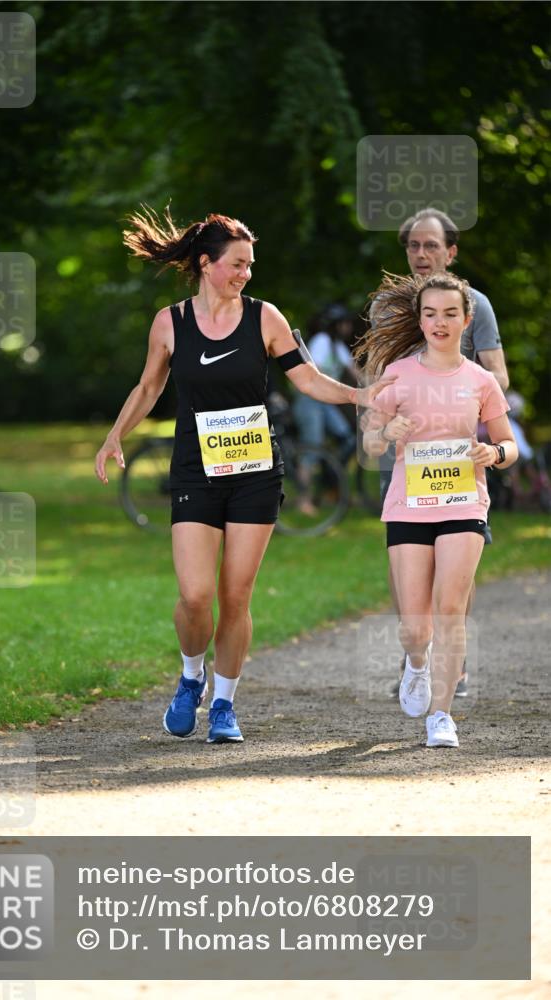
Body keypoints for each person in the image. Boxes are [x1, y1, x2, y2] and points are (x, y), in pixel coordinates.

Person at [94, 207, 394, 744]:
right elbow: (148, 388)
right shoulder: (171, 323)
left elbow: (307, 378)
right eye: (237, 264)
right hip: (194, 470)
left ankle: (225, 706)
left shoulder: (265, 318)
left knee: (235, 596)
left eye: (250, 265)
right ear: (206, 264)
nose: (246, 274)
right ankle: (191, 678)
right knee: (193, 596)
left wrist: (357, 395)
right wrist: (115, 434)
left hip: (255, 471)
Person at [361, 270, 517, 747]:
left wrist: (494, 454)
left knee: (450, 609)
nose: (440, 322)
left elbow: (509, 444)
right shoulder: (399, 374)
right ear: (420, 319)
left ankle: (441, 716)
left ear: (466, 320)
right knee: (415, 626)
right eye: (430, 313)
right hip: (409, 506)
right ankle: (416, 662)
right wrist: (386, 435)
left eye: (450, 313)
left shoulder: (481, 380)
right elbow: (369, 441)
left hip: (463, 503)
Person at [293, 306, 358, 515]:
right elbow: (314, 374)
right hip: (309, 401)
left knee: (347, 439)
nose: (347, 327)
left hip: (325, 402)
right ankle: (304, 500)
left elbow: (354, 370)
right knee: (312, 448)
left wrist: (373, 388)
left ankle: (331, 484)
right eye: (344, 323)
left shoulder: (337, 345)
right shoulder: (321, 341)